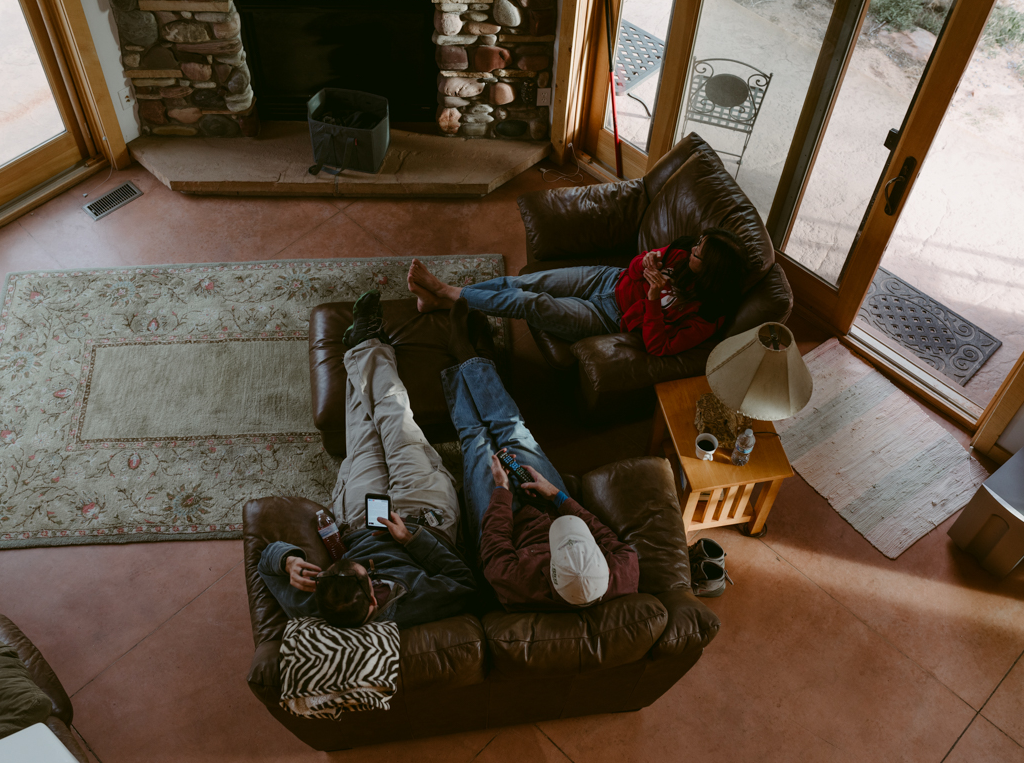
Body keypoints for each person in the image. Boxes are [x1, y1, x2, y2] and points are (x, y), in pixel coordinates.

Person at [258, 291, 477, 630]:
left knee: (361, 430)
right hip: (425, 520)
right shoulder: (414, 605)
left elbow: (264, 561)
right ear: (375, 600)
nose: (370, 569)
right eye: (369, 575)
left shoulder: (319, 602)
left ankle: (362, 344)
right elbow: (465, 584)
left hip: (361, 522)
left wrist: (286, 561)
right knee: (395, 417)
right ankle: (365, 341)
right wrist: (412, 541)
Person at [441, 299, 639, 611]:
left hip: (503, 525)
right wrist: (558, 496)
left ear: (551, 577)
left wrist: (501, 491)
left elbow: (495, 546)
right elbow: (599, 529)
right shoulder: (623, 569)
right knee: (512, 428)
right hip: (546, 502)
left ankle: (465, 351)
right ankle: (473, 353)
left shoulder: (517, 586)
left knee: (477, 438)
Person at [407, 229, 748, 357]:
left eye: (699, 254)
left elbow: (659, 347)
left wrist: (654, 300)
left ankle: (446, 292)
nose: (691, 253)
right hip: (606, 279)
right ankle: (440, 299)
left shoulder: (707, 315)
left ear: (713, 272)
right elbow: (632, 271)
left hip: (606, 318)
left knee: (533, 303)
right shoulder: (682, 252)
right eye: (698, 244)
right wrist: (644, 262)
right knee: (527, 283)